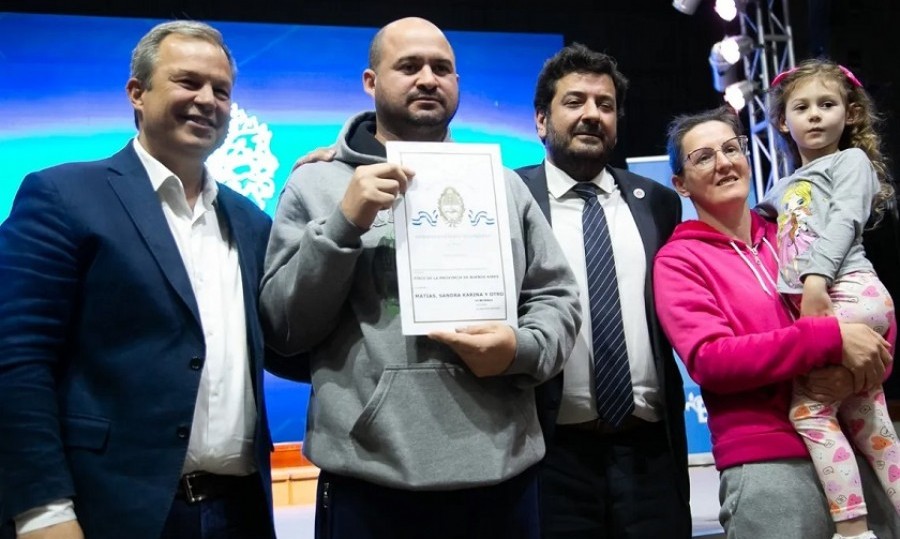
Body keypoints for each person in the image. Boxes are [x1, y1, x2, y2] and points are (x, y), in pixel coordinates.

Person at [259, 16, 581, 539]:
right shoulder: (315, 185)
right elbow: (284, 329)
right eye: (408, 66)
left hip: (502, 477)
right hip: (368, 483)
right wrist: (345, 222)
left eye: (442, 68)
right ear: (371, 82)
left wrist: (518, 348)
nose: (428, 78)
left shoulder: (502, 185)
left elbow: (556, 297)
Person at [0, 21, 276, 539]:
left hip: (240, 512)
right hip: (109, 513)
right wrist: (43, 512)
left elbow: (288, 341)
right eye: (187, 82)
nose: (207, 100)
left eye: (221, 90)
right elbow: (16, 360)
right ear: (137, 93)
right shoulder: (62, 196)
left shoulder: (251, 222)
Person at [654, 105, 899, 539]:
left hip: (852, 444)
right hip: (768, 463)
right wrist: (829, 340)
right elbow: (712, 360)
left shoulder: (794, 228)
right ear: (680, 184)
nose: (724, 162)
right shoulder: (679, 261)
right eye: (704, 156)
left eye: (732, 148)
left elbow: (863, 298)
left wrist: (865, 368)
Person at [515, 44, 691, 538]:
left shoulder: (656, 202)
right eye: (574, 102)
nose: (592, 114)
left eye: (605, 105)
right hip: (551, 454)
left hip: (651, 454)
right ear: (541, 121)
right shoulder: (509, 197)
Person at [757, 58, 900, 539]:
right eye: (802, 107)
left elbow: (844, 222)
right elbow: (763, 222)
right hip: (834, 294)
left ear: (851, 114)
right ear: (782, 121)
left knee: (809, 410)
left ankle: (854, 531)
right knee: (868, 415)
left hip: (848, 289)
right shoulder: (782, 185)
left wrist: (816, 279)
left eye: (827, 104)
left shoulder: (850, 162)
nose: (815, 115)